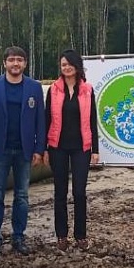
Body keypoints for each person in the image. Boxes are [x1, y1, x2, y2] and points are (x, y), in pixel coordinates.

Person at [0, 46, 46, 259]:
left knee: (22, 196)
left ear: (25, 63)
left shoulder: (34, 87)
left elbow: (40, 121)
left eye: (19, 60)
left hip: (24, 150)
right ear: (5, 63)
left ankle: (18, 236)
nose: (15, 63)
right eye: (11, 60)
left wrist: (39, 149)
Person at [43, 49, 99, 251]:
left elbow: (93, 120)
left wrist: (95, 149)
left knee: (79, 192)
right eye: (63, 64)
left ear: (77, 66)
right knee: (60, 192)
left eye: (69, 64)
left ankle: (80, 235)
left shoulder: (88, 90)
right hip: (57, 147)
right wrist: (44, 148)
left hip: (81, 148)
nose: (66, 67)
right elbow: (46, 119)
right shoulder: (53, 90)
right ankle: (61, 235)